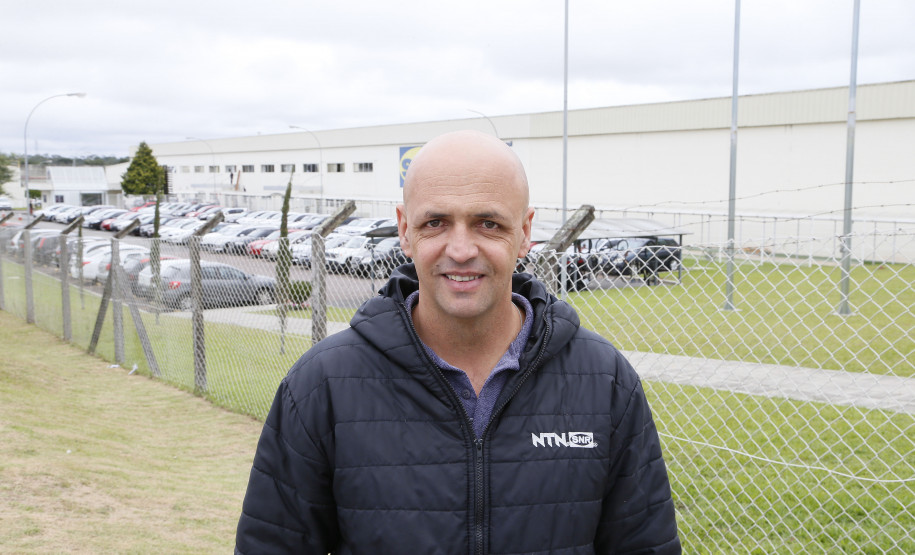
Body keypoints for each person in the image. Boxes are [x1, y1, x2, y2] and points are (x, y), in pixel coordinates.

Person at [235, 130, 681, 554]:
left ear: (524, 232)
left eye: (488, 223)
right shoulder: (322, 386)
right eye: (436, 222)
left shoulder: (604, 381)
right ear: (405, 230)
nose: (462, 249)